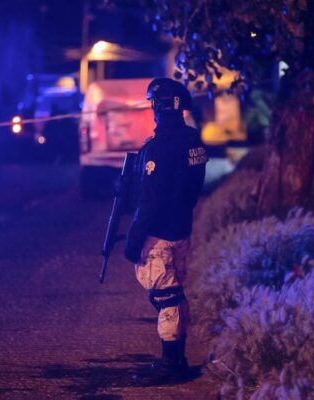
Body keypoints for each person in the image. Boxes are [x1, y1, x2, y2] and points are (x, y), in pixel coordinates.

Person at [124, 77, 207, 383]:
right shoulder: (193, 141)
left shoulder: (159, 147)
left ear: (160, 107)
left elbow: (150, 200)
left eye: (154, 105)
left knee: (167, 297)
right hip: (181, 229)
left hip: (158, 235)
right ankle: (178, 360)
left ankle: (171, 367)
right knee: (175, 295)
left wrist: (134, 239)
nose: (153, 112)